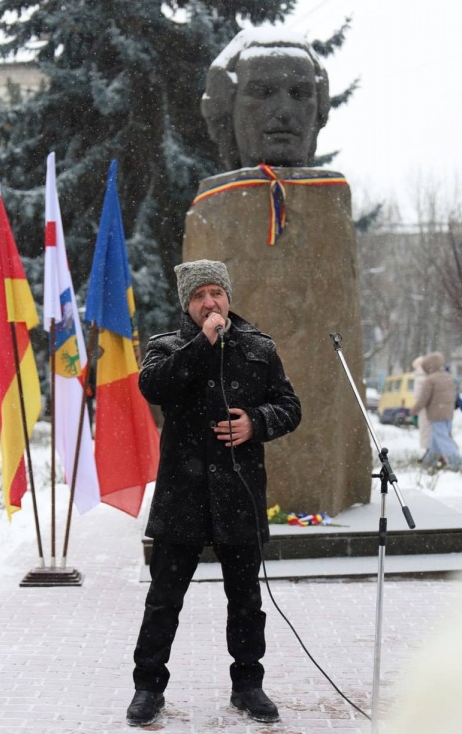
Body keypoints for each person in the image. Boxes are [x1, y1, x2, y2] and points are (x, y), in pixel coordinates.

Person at [126, 259, 302, 727]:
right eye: (199, 295)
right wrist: (203, 343)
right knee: (164, 600)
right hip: (181, 496)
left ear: (228, 296)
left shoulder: (260, 347)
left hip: (238, 496)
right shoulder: (166, 347)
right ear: (187, 304)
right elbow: (153, 387)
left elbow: (290, 406)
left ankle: (248, 686)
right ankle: (148, 688)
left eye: (216, 293)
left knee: (246, 602)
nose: (210, 302)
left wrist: (256, 422)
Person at [201, 27, 330, 170]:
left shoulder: (335, 185)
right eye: (262, 92)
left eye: (300, 93)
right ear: (226, 109)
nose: (285, 111)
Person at [409, 351, 462, 470]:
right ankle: (429, 463)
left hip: (436, 415)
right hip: (448, 414)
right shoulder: (448, 377)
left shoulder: (430, 380)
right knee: (435, 442)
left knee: (443, 440)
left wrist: (413, 411)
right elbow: (454, 395)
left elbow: (423, 399)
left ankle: (458, 462)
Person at [412, 355, 431, 460]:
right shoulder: (427, 376)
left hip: (423, 409)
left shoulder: (420, 378)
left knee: (425, 431)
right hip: (427, 409)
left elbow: (419, 396)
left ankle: (429, 454)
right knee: (428, 432)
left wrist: (415, 409)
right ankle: (431, 454)